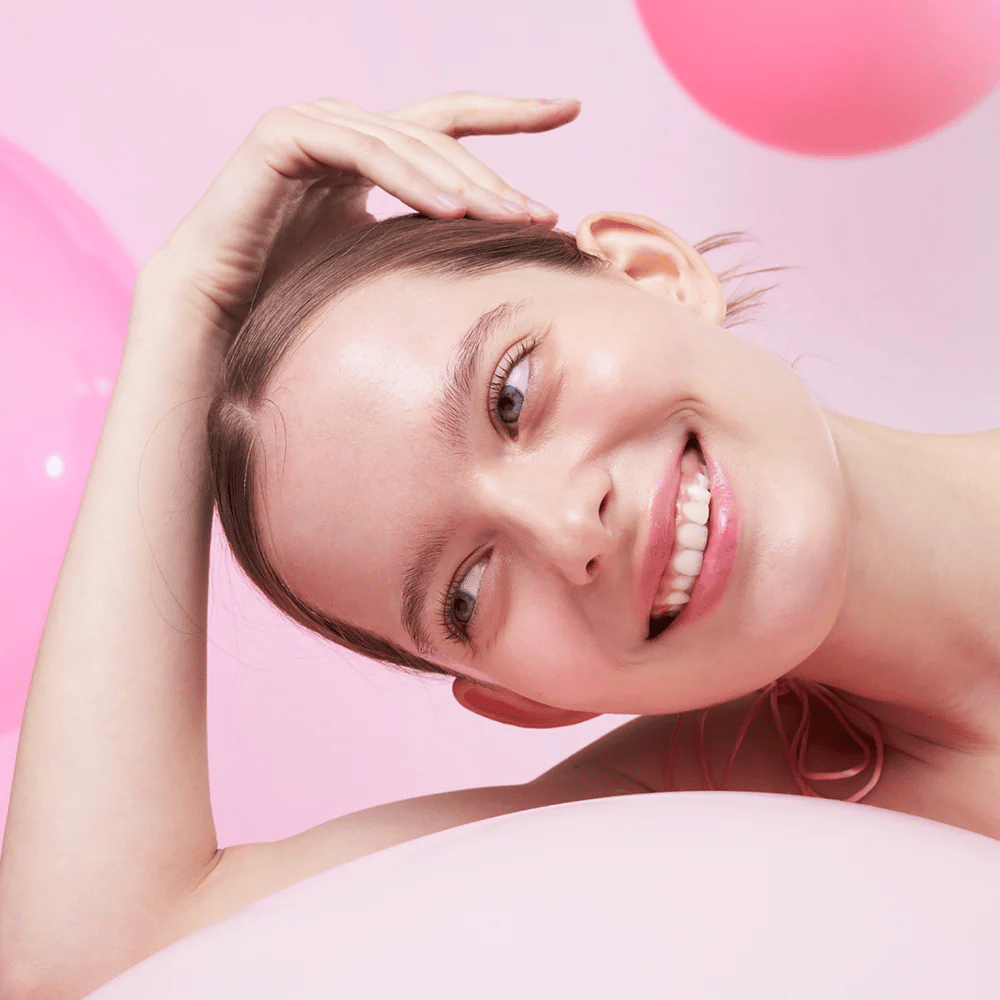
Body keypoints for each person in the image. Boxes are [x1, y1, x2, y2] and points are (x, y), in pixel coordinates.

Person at [1, 91, 997, 999]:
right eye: (466, 592)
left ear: (653, 273)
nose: (569, 529)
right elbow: (99, 962)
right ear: (526, 699)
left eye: (511, 395)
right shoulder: (701, 816)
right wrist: (186, 303)